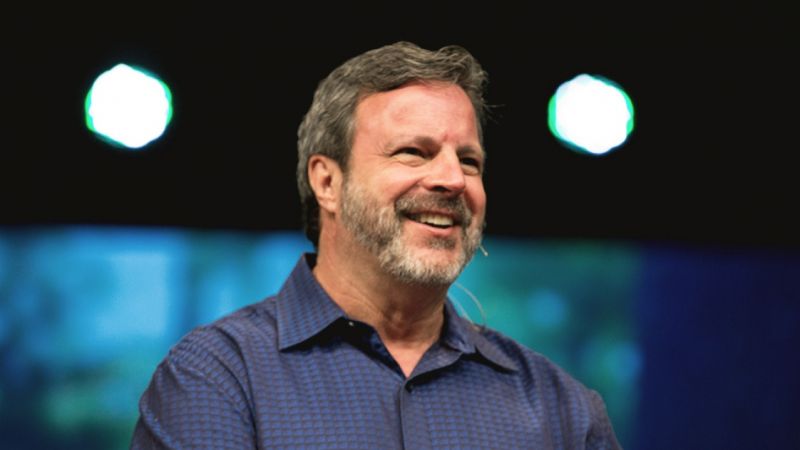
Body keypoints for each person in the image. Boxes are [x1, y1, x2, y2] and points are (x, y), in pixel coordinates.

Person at [131, 41, 621, 449]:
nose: (453, 179)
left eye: (469, 161)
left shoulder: (563, 410)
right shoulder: (218, 377)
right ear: (327, 182)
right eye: (414, 152)